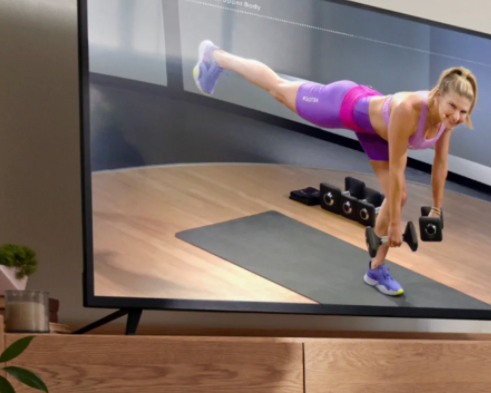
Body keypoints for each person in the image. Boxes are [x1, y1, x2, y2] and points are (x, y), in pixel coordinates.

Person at [191, 42, 476, 296]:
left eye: (464, 112)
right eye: (452, 106)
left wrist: (437, 210)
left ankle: (375, 270)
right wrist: (393, 226)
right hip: (347, 104)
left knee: (397, 198)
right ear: (438, 95)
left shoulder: (446, 121)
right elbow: (399, 168)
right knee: (278, 89)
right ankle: (216, 56)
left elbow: (440, 165)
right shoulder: (408, 109)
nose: (457, 116)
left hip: (375, 131)